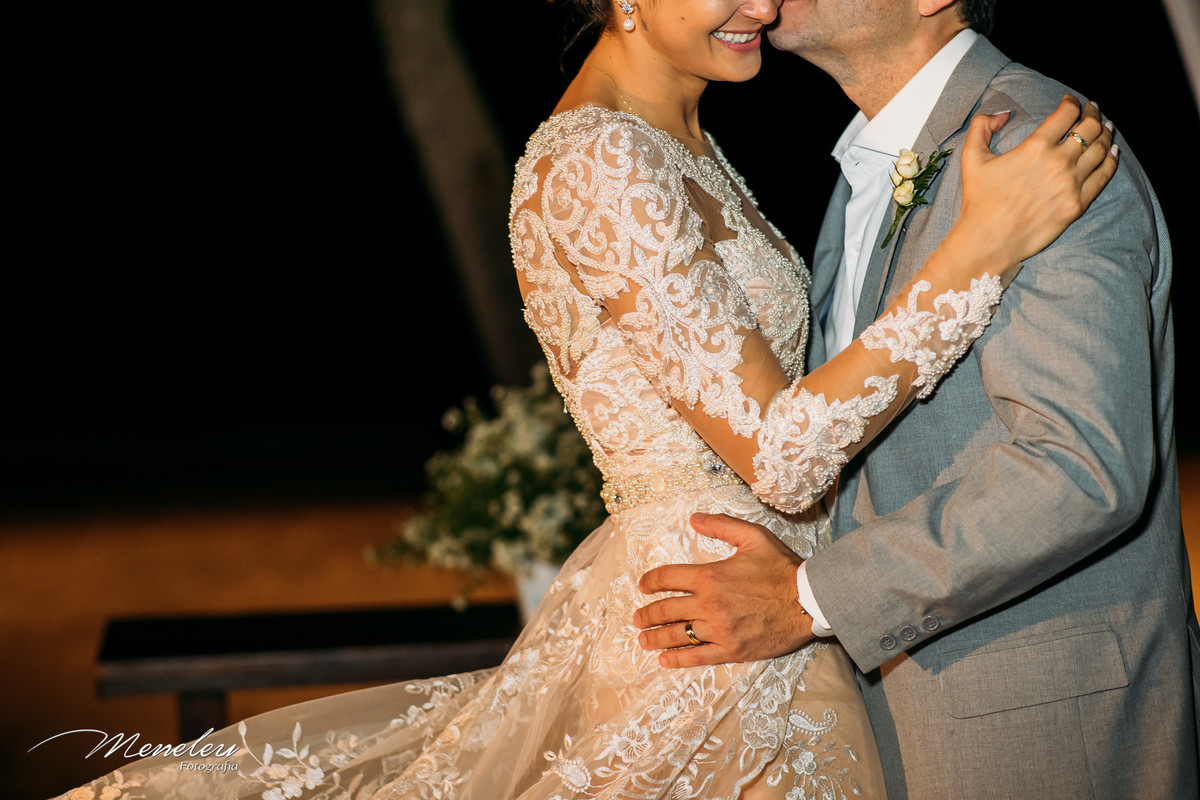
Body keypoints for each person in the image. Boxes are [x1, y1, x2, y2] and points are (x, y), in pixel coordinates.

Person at [58, 1, 1116, 798]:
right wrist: (978, 247)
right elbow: (784, 456)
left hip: (762, 604)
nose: (761, 4)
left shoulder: (680, 137)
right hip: (708, 625)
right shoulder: (598, 156)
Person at [632, 1, 1200, 798]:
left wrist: (808, 598)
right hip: (898, 705)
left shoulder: (1037, 142)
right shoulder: (869, 166)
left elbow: (1080, 468)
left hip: (1040, 722)